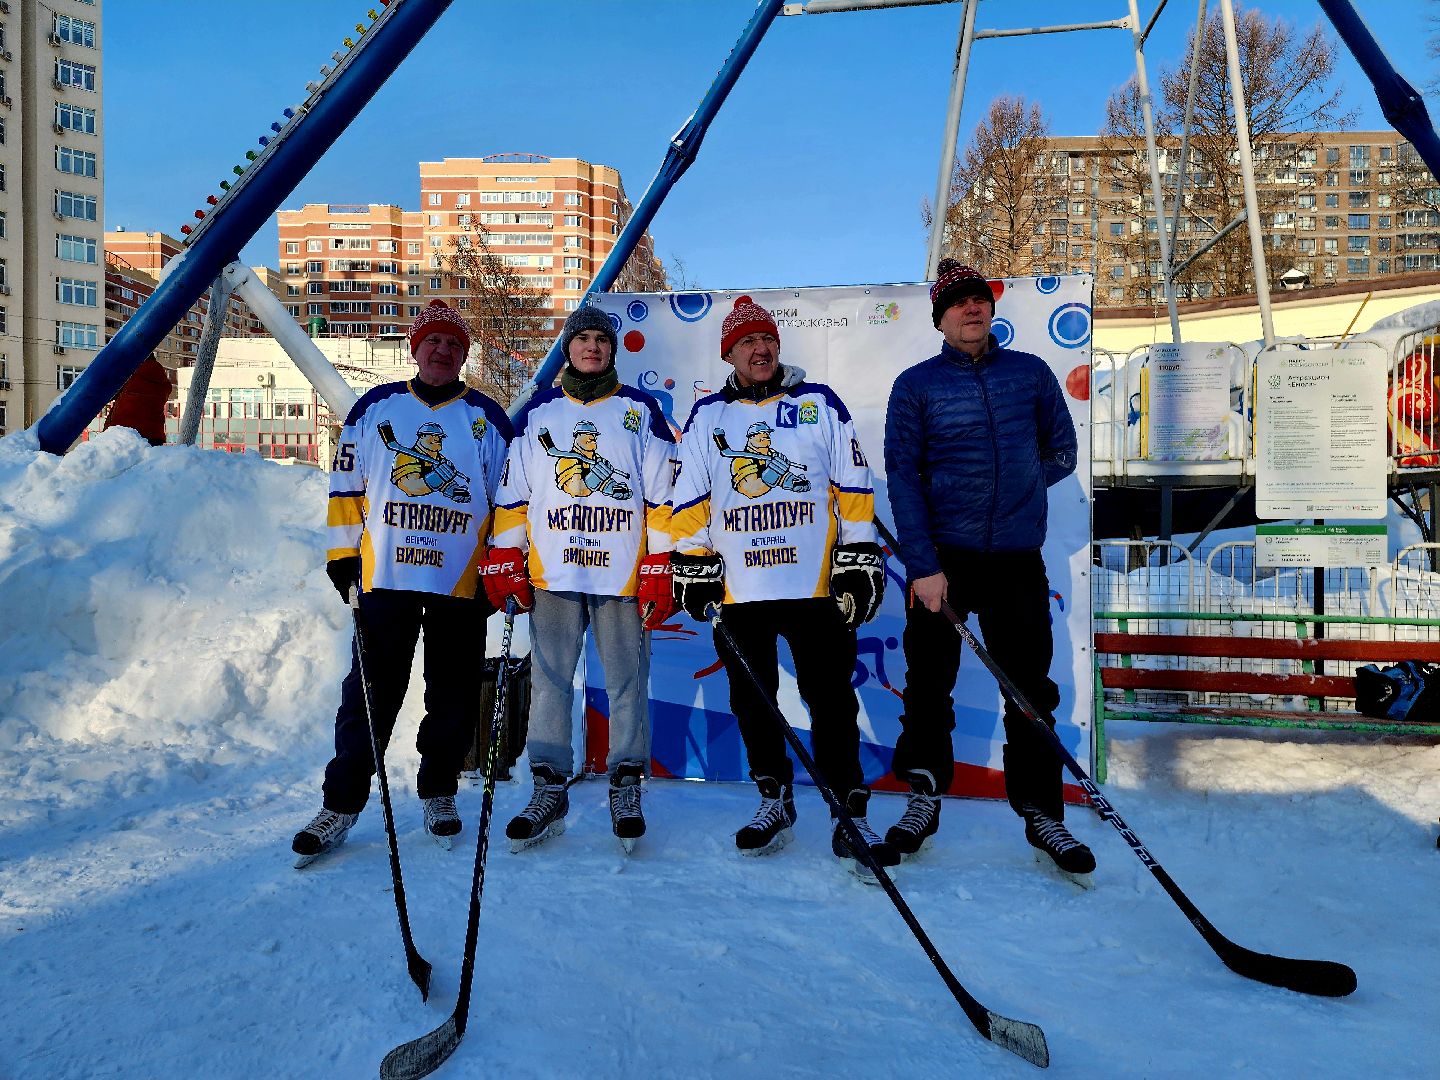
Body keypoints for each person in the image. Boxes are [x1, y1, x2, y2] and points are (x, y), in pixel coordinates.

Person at [882, 260, 1092, 880]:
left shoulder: (1029, 373)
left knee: (1030, 690)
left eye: (979, 300)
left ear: (990, 310)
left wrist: (1022, 490)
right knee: (928, 686)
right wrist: (921, 565)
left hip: (1015, 561)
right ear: (941, 318)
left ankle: (1042, 813)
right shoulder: (915, 386)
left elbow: (1061, 450)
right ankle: (923, 798)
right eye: (958, 303)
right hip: (941, 561)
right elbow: (904, 480)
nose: (971, 310)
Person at [669, 295, 891, 878]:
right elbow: (688, 499)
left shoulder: (818, 404)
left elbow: (852, 483)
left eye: (765, 340)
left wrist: (859, 553)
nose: (759, 350)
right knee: (753, 701)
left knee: (831, 699)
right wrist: (692, 561)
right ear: (730, 354)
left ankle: (850, 810)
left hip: (814, 588)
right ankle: (774, 797)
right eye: (746, 343)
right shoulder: (708, 418)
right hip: (741, 592)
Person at [291, 300, 512, 867]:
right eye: (433, 342)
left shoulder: (487, 418)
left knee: (453, 692)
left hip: (459, 581)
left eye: (453, 345)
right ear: (416, 348)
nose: (442, 351)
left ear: (464, 355)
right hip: (387, 574)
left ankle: (438, 790)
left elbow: (509, 504)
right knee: (370, 691)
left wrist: (500, 567)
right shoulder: (374, 410)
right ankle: (340, 802)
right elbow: (346, 488)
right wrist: (343, 556)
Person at [483, 304, 677, 854]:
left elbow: (663, 496)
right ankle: (548, 784)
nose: (592, 347)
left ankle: (626, 781)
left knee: (625, 681)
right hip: (554, 573)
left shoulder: (639, 411)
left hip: (621, 574)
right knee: (549, 678)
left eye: (601, 339)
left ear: (612, 350)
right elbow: (513, 497)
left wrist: (661, 561)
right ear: (567, 347)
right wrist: (504, 555)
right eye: (582, 338)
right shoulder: (539, 414)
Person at [103, 354, 173, 446]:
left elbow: (106, 394)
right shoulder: (163, 382)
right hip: (154, 435)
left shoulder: (128, 376)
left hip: (123, 434)